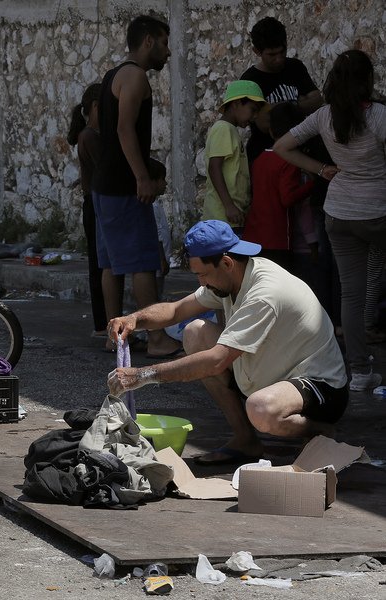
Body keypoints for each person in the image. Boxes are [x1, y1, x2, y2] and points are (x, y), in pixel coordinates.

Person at [107, 220, 347, 465]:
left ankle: (320, 431)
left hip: (321, 386)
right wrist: (134, 319)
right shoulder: (229, 276)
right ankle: (245, 440)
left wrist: (143, 375)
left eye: (203, 274)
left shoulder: (264, 293)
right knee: (195, 333)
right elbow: (177, 310)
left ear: (226, 263)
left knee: (261, 410)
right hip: (272, 373)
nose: (201, 282)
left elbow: (216, 361)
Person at [273, 49, 386, 392]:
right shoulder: (379, 116)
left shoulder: (324, 116)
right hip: (379, 210)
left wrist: (321, 170)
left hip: (338, 212)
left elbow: (282, 146)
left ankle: (360, 372)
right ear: (368, 80)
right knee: (372, 282)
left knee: (351, 295)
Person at [91, 14, 180, 358]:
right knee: (144, 262)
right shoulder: (137, 76)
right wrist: (142, 176)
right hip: (123, 187)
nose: (167, 52)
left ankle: (116, 337)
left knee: (111, 264)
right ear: (147, 41)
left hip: (104, 185)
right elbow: (125, 129)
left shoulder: (114, 74)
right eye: (163, 43)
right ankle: (157, 339)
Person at [241, 16, 323, 165]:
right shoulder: (250, 81)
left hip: (302, 154)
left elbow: (317, 101)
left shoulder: (295, 67)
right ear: (256, 51)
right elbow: (264, 124)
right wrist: (299, 105)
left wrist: (279, 108)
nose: (279, 59)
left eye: (282, 51)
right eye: (271, 55)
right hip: (267, 158)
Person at [243, 102, 315, 270]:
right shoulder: (290, 161)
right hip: (277, 237)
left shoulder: (260, 159)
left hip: (254, 233)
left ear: (270, 130)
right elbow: (287, 198)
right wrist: (313, 184)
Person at [67, 83, 108, 337]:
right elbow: (105, 167)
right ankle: (102, 322)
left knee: (100, 263)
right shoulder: (90, 136)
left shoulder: (90, 135)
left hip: (94, 202)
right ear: (95, 106)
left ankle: (103, 321)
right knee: (100, 265)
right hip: (96, 203)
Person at [203, 80, 265, 230]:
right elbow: (214, 168)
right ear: (236, 103)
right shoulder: (223, 129)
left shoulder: (231, 130)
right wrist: (229, 206)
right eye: (253, 109)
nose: (255, 116)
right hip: (222, 216)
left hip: (230, 216)